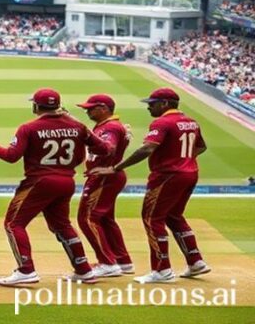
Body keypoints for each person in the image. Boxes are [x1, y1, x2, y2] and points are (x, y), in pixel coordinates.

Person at [0, 88, 110, 286]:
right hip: (67, 181)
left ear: (36, 106)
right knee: (63, 226)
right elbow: (103, 148)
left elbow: (11, 156)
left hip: (39, 181)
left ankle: (25, 270)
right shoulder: (78, 126)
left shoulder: (28, 128)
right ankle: (84, 270)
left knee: (14, 224)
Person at [90, 87, 211, 284]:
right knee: (174, 216)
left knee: (152, 218)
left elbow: (147, 148)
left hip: (167, 176)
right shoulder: (191, 121)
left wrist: (116, 168)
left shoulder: (162, 122)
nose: (149, 108)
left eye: (152, 104)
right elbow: (201, 147)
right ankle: (195, 261)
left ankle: (162, 269)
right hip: (190, 173)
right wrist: (184, 160)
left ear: (165, 104)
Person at [75, 94, 133, 278]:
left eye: (91, 108)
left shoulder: (111, 127)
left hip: (104, 177)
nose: (87, 111)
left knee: (88, 218)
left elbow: (109, 147)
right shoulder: (108, 126)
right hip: (108, 176)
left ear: (104, 108)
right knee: (106, 220)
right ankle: (122, 261)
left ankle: (107, 262)